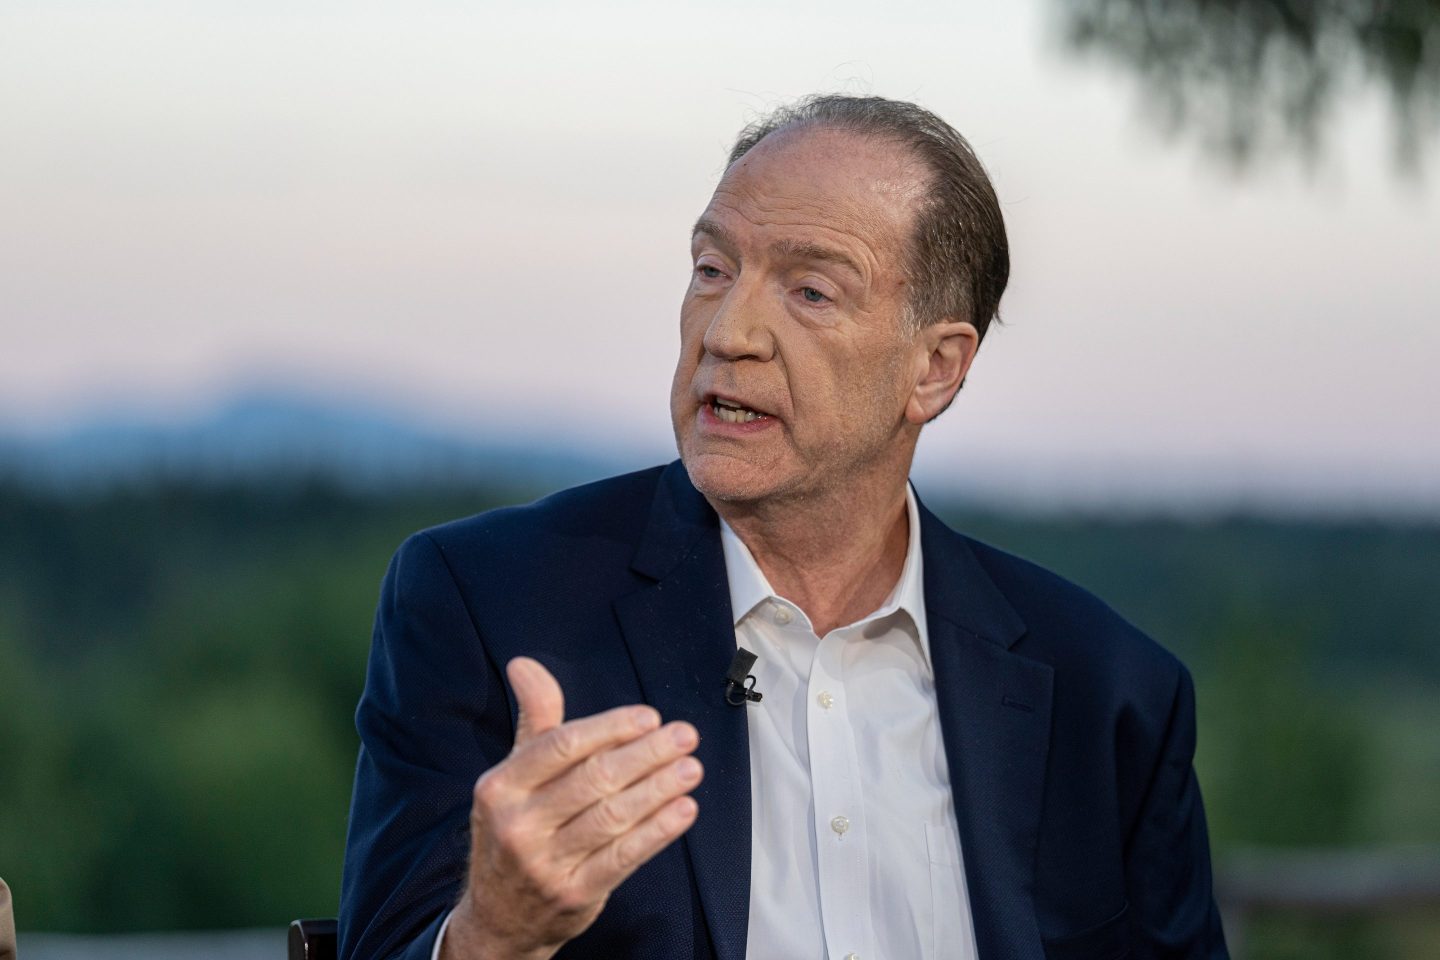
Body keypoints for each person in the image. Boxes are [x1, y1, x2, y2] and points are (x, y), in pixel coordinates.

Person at [339, 94, 1228, 960]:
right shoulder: (488, 604)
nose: (729, 333)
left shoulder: (1108, 693)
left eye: (809, 291)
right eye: (712, 270)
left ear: (936, 368)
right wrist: (492, 936)